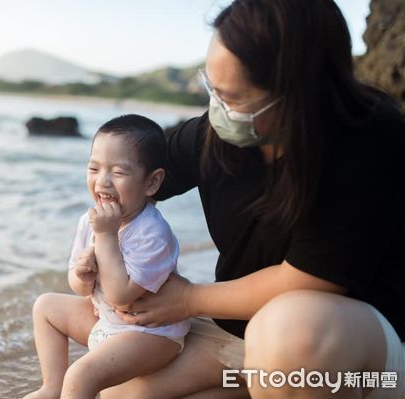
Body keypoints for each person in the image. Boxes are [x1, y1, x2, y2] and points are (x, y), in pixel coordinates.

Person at [95, 1, 405, 399]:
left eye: (234, 98)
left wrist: (187, 298)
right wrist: (101, 251)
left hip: (359, 360)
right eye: (213, 90)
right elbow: (128, 181)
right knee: (117, 395)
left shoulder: (370, 141)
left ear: (297, 91)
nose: (220, 109)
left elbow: (309, 280)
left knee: (290, 335)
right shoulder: (221, 135)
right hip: (247, 349)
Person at [23, 114, 191, 399]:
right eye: (94, 168)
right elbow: (80, 289)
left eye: (118, 172)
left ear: (152, 182)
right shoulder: (91, 221)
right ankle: (51, 386)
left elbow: (120, 295)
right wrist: (82, 275)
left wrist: (107, 236)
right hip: (107, 322)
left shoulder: (153, 233)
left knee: (81, 375)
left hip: (150, 335)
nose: (103, 181)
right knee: (45, 306)